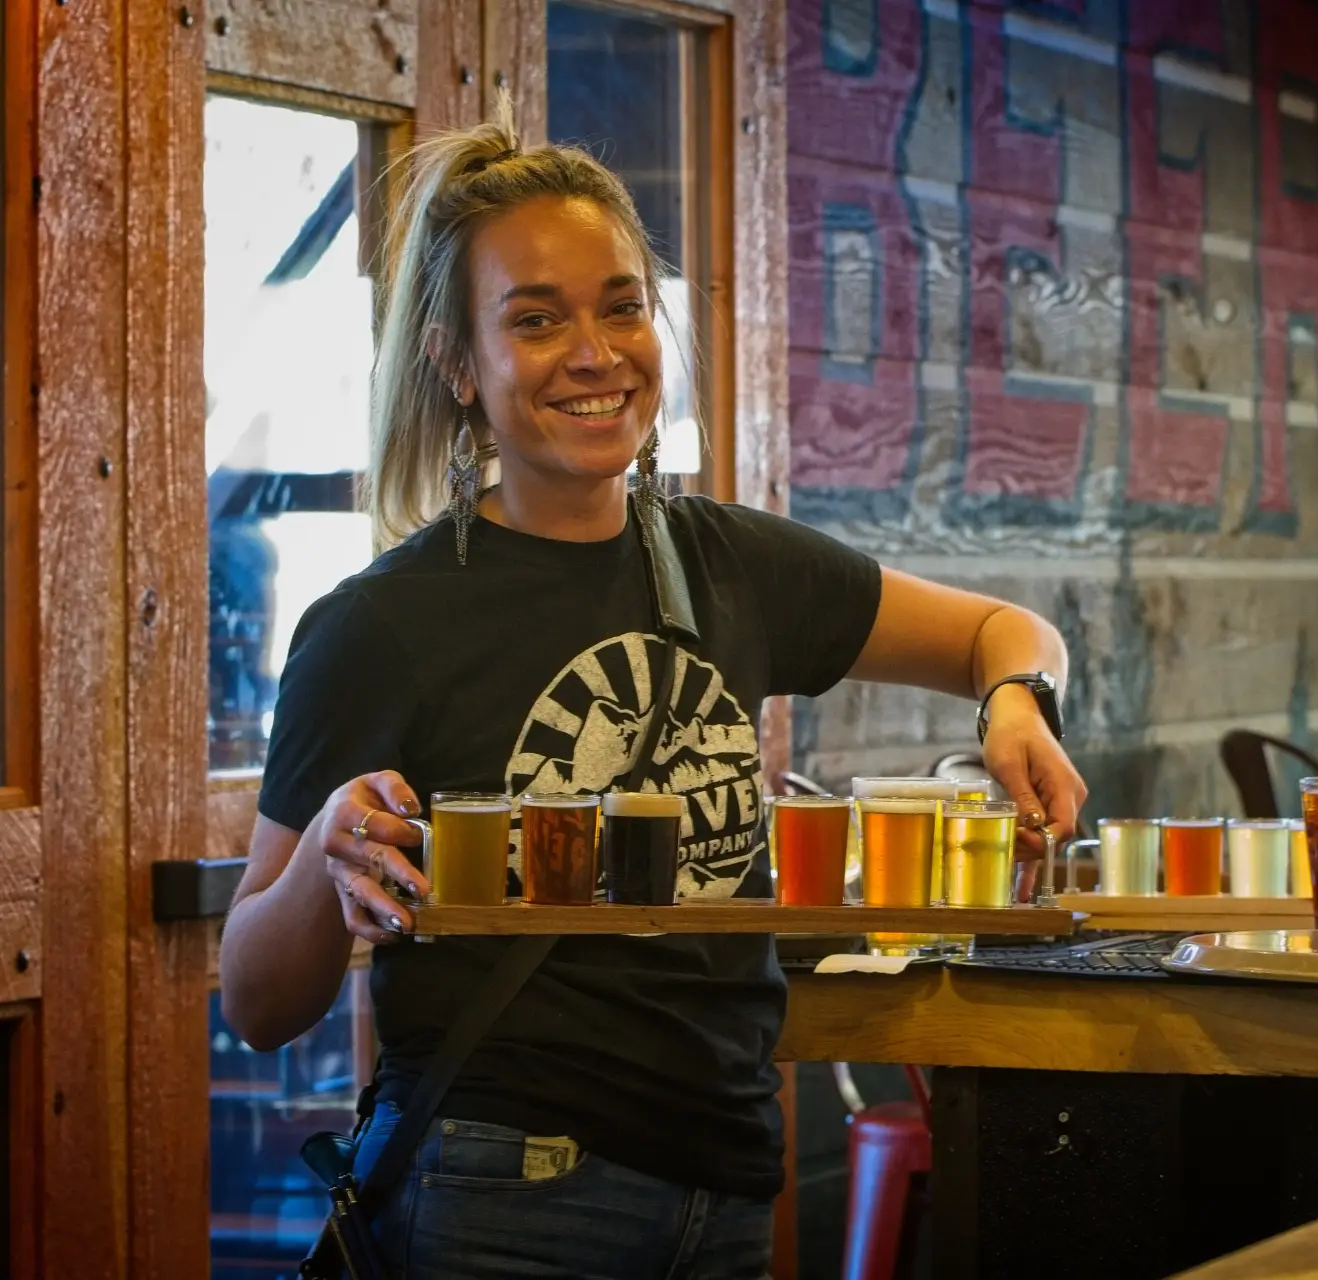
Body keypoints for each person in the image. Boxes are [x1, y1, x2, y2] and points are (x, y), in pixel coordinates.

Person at [216, 109, 1086, 1280]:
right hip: (503, 1192)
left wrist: (1014, 702)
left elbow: (1003, 630)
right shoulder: (378, 625)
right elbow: (259, 1001)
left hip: (727, 1184)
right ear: (457, 363)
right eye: (535, 319)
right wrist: (328, 846)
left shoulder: (735, 566)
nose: (594, 350)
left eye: (621, 305)